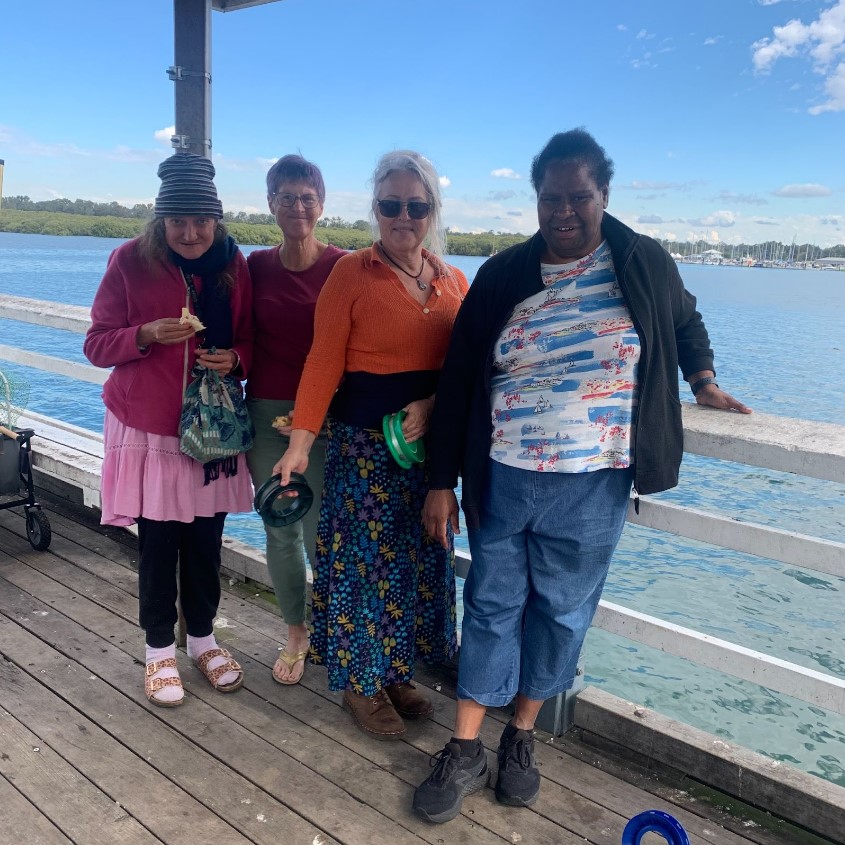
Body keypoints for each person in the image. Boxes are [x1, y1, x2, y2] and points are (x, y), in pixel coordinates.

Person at [412, 128, 751, 823]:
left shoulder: (643, 262)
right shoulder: (503, 273)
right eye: (549, 198)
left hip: (595, 481)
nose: (563, 211)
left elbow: (686, 321)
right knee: (489, 605)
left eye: (578, 197)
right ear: (533, 198)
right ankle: (466, 743)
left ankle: (521, 737)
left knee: (562, 614)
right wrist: (440, 479)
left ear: (603, 195)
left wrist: (704, 380)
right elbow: (457, 376)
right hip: (502, 471)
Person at [275, 150, 469, 739]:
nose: (403, 216)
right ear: (376, 209)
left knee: (413, 564)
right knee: (365, 568)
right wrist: (300, 445)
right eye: (390, 205)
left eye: (416, 205)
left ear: (432, 210)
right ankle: (362, 684)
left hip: (428, 455)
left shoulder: (454, 280)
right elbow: (322, 364)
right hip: (364, 452)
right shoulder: (351, 274)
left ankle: (395, 671)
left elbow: (466, 370)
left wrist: (433, 408)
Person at [84, 153, 254, 707]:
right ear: (160, 221)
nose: (190, 232)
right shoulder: (129, 261)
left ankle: (202, 638)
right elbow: (96, 344)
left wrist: (237, 359)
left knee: (206, 540)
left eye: (200, 221)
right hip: (152, 430)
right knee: (158, 544)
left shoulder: (235, 265)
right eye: (177, 221)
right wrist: (144, 334)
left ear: (217, 220)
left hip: (215, 430)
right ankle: (159, 650)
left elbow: (252, 340)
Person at [245, 155, 345, 685]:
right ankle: (296, 632)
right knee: (280, 528)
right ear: (271, 204)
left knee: (323, 532)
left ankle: (333, 630)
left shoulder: (344, 266)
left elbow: (357, 347)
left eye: (308, 197)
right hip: (265, 415)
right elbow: (237, 334)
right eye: (287, 196)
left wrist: (325, 416)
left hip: (325, 420)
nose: (298, 206)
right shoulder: (254, 266)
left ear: (321, 204)